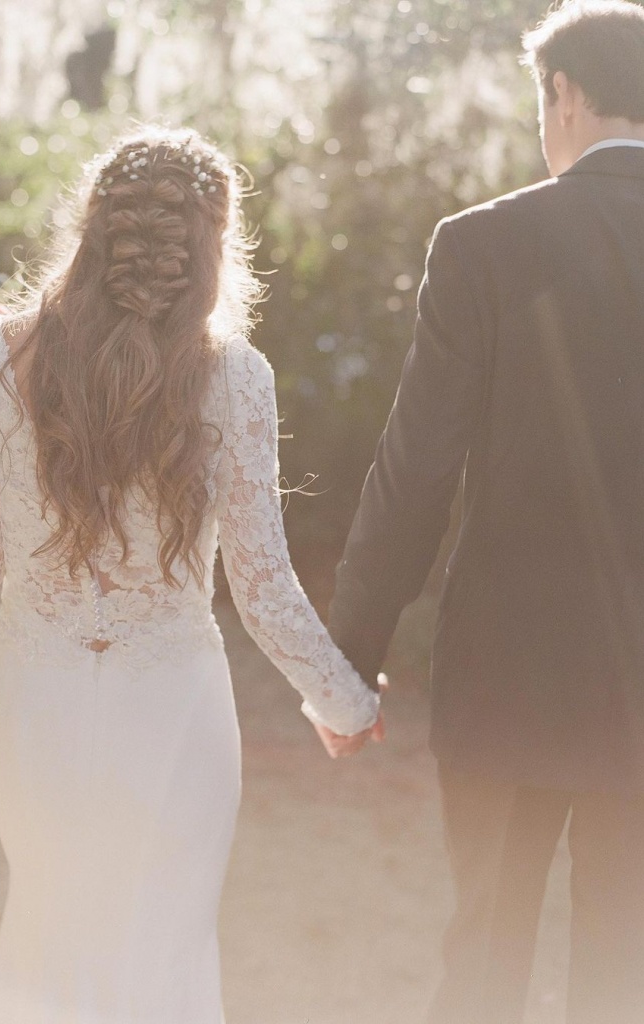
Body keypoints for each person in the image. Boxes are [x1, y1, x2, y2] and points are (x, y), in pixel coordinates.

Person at [0, 127, 380, 1024]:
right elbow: (262, 587)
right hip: (173, 712)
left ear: (90, 227)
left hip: (35, 701)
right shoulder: (237, 378)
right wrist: (345, 704)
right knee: (164, 949)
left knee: (45, 941)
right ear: (212, 246)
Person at [327, 2, 644, 1022]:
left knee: (485, 963)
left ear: (566, 93)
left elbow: (416, 465)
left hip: (509, 673)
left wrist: (352, 651)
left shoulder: (481, 245)